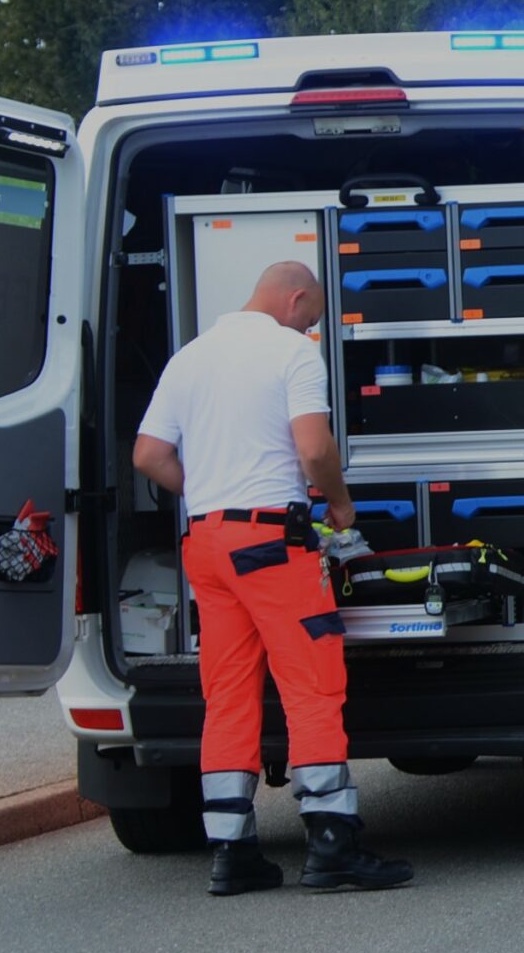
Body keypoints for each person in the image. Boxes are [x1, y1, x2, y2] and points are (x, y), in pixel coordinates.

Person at [131, 261, 413, 895]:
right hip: (269, 546)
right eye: (311, 316)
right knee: (312, 683)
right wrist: (339, 508)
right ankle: (333, 844)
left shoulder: (191, 357)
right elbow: (314, 450)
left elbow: (148, 455)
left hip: (206, 542)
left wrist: (206, 493)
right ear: (294, 300)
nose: (310, 327)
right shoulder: (293, 355)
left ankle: (232, 854)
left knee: (227, 694)